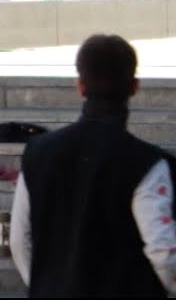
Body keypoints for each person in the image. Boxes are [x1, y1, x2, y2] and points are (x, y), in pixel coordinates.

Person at [9, 34, 176, 297]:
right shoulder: (148, 164)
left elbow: (19, 239)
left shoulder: (38, 153)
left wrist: (47, 286)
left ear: (80, 86)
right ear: (134, 87)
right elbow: (164, 252)